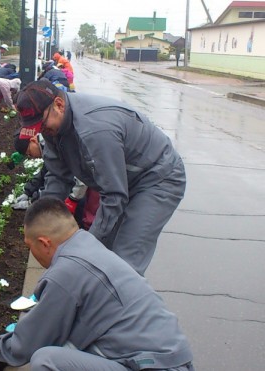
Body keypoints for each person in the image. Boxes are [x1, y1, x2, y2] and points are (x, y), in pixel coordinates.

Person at [0, 197, 194, 370]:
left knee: (47, 360)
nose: (31, 252)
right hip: (170, 358)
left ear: (43, 242)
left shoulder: (65, 272)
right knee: (69, 346)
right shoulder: (89, 246)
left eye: (28, 246)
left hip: (154, 365)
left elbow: (32, 341)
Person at [14, 79, 186, 276]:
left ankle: (122, 300)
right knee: (104, 251)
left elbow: (114, 196)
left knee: (124, 259)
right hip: (123, 179)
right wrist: (40, 222)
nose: (43, 133)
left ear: (59, 105)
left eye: (42, 125)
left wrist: (87, 246)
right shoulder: (54, 127)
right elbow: (58, 177)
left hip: (157, 178)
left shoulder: (95, 130)